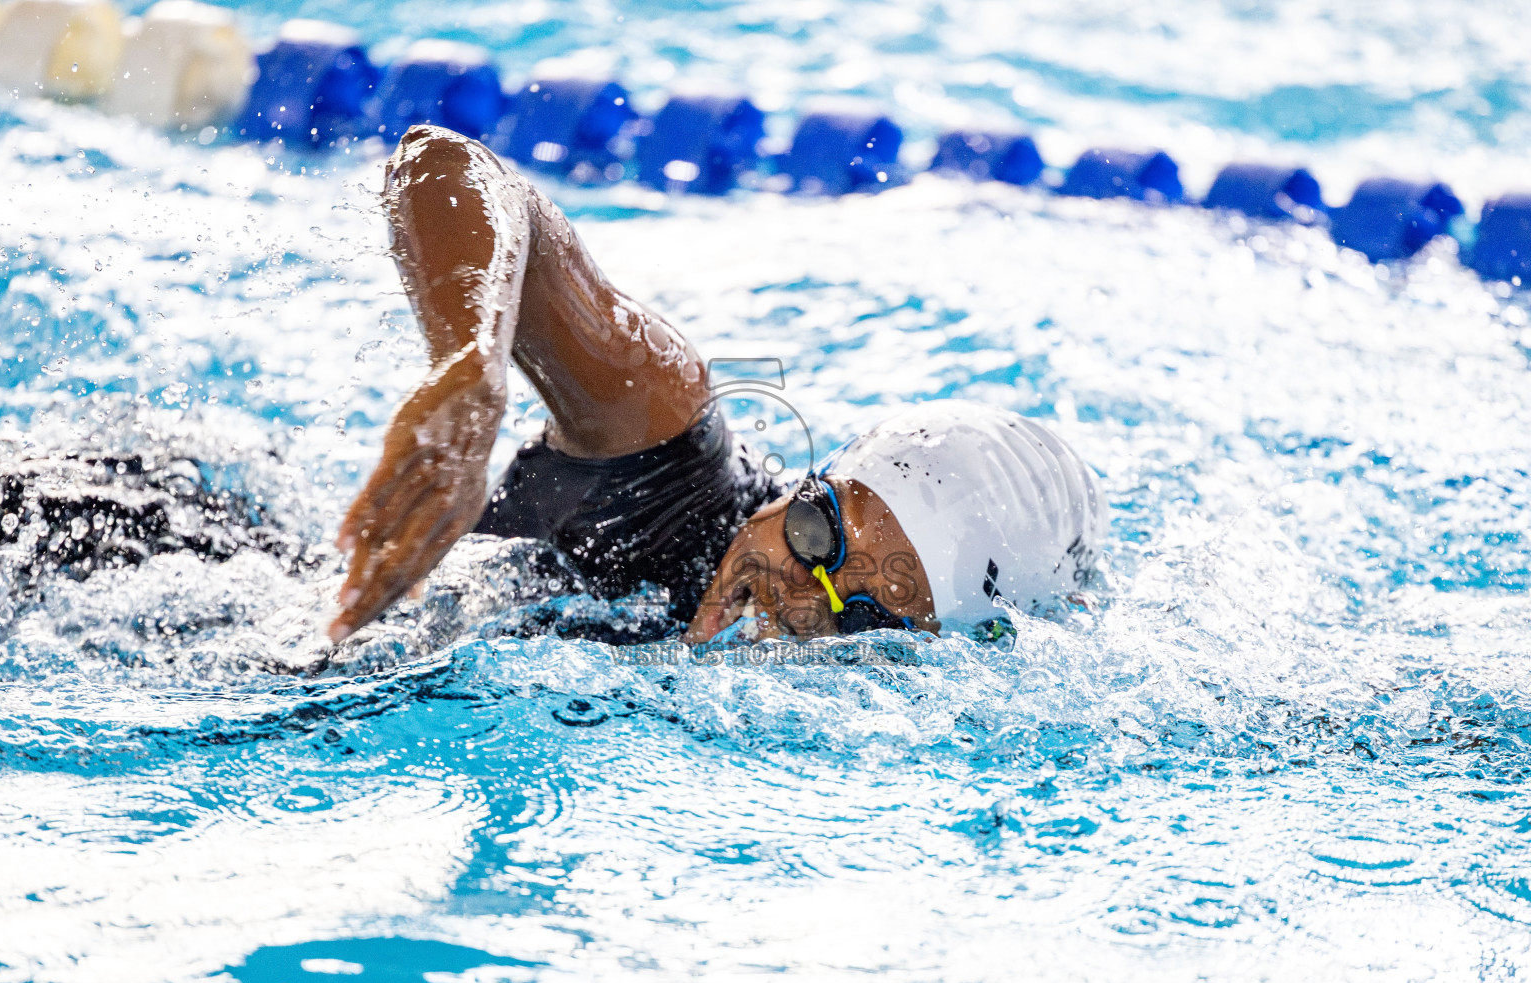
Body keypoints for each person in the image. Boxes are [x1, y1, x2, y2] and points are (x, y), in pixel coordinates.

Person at [328, 125, 1106, 646]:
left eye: (863, 616)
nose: (796, 593)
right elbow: (443, 163)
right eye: (815, 533)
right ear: (811, 483)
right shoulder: (665, 448)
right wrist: (472, 367)